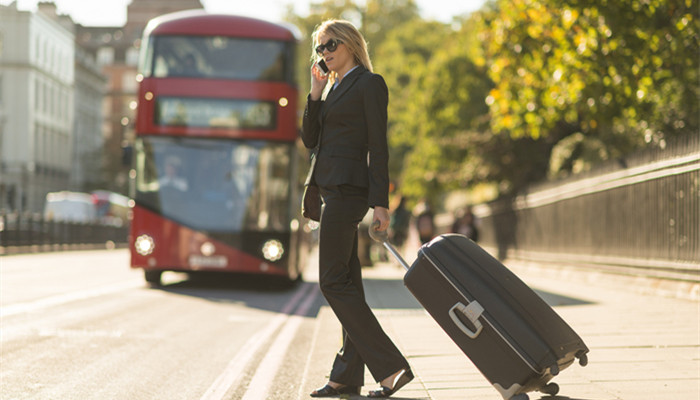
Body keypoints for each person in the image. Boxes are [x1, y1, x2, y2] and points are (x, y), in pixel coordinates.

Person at [302, 19, 413, 399]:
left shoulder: (369, 83)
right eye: (320, 48)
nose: (325, 53)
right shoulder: (331, 90)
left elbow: (378, 147)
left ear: (350, 43)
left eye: (331, 44)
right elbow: (310, 139)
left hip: (350, 193)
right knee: (348, 284)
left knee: (331, 282)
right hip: (332, 192)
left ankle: (392, 367)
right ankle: (347, 376)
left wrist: (380, 203)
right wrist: (315, 93)